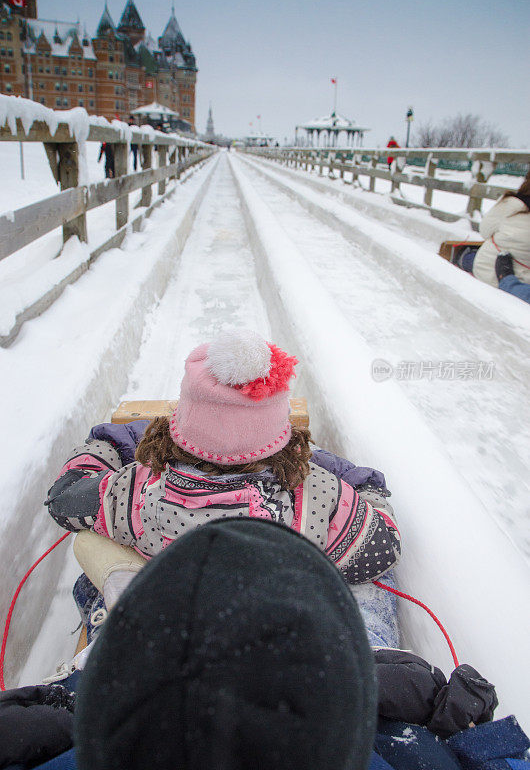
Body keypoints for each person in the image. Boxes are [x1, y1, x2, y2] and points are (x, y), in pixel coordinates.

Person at [0, 520, 521, 770]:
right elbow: (377, 537)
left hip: (120, 672)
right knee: (361, 595)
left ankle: (117, 607)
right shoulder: (308, 493)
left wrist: (64, 701)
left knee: (99, 566)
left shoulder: (144, 490)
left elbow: (81, 507)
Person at [45, 331, 402, 589]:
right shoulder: (317, 495)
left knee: (88, 545)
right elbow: (383, 546)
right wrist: (357, 482)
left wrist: (109, 442)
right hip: (266, 630)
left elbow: (63, 499)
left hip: (177, 604)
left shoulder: (137, 489)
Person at [472, 170, 530, 291]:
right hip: (525, 282)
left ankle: (462, 256)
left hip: (490, 273)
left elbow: (484, 231)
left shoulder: (511, 204)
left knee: (471, 256)